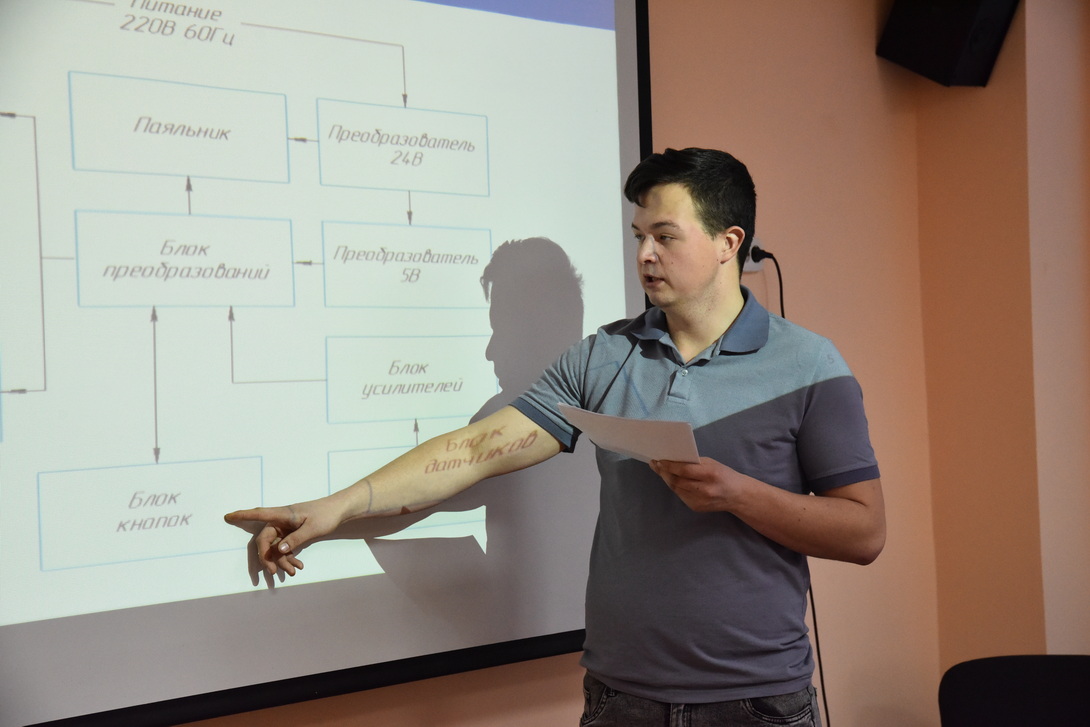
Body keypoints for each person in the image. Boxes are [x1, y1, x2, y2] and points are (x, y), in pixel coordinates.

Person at [226, 148, 885, 727]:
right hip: (621, 699)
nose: (644, 254)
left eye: (664, 236)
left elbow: (864, 532)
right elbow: (476, 449)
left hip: (757, 704)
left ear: (727, 242)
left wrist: (738, 494)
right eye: (638, 236)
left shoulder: (809, 364)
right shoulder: (603, 356)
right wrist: (333, 507)